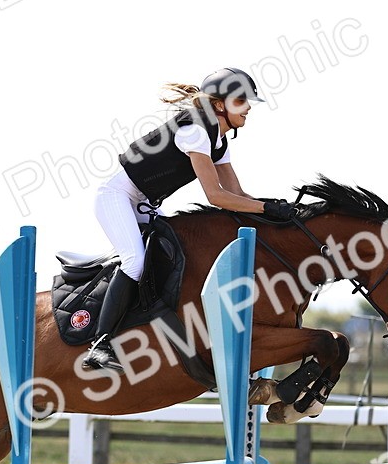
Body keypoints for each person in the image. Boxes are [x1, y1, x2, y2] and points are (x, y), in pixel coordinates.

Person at [83, 67, 299, 372]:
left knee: (171, 259)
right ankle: (99, 345)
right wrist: (265, 208)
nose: (249, 108)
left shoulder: (219, 141)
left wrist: (274, 209)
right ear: (220, 105)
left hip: (144, 203)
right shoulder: (196, 131)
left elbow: (236, 194)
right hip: (117, 197)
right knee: (135, 262)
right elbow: (216, 196)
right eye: (241, 101)